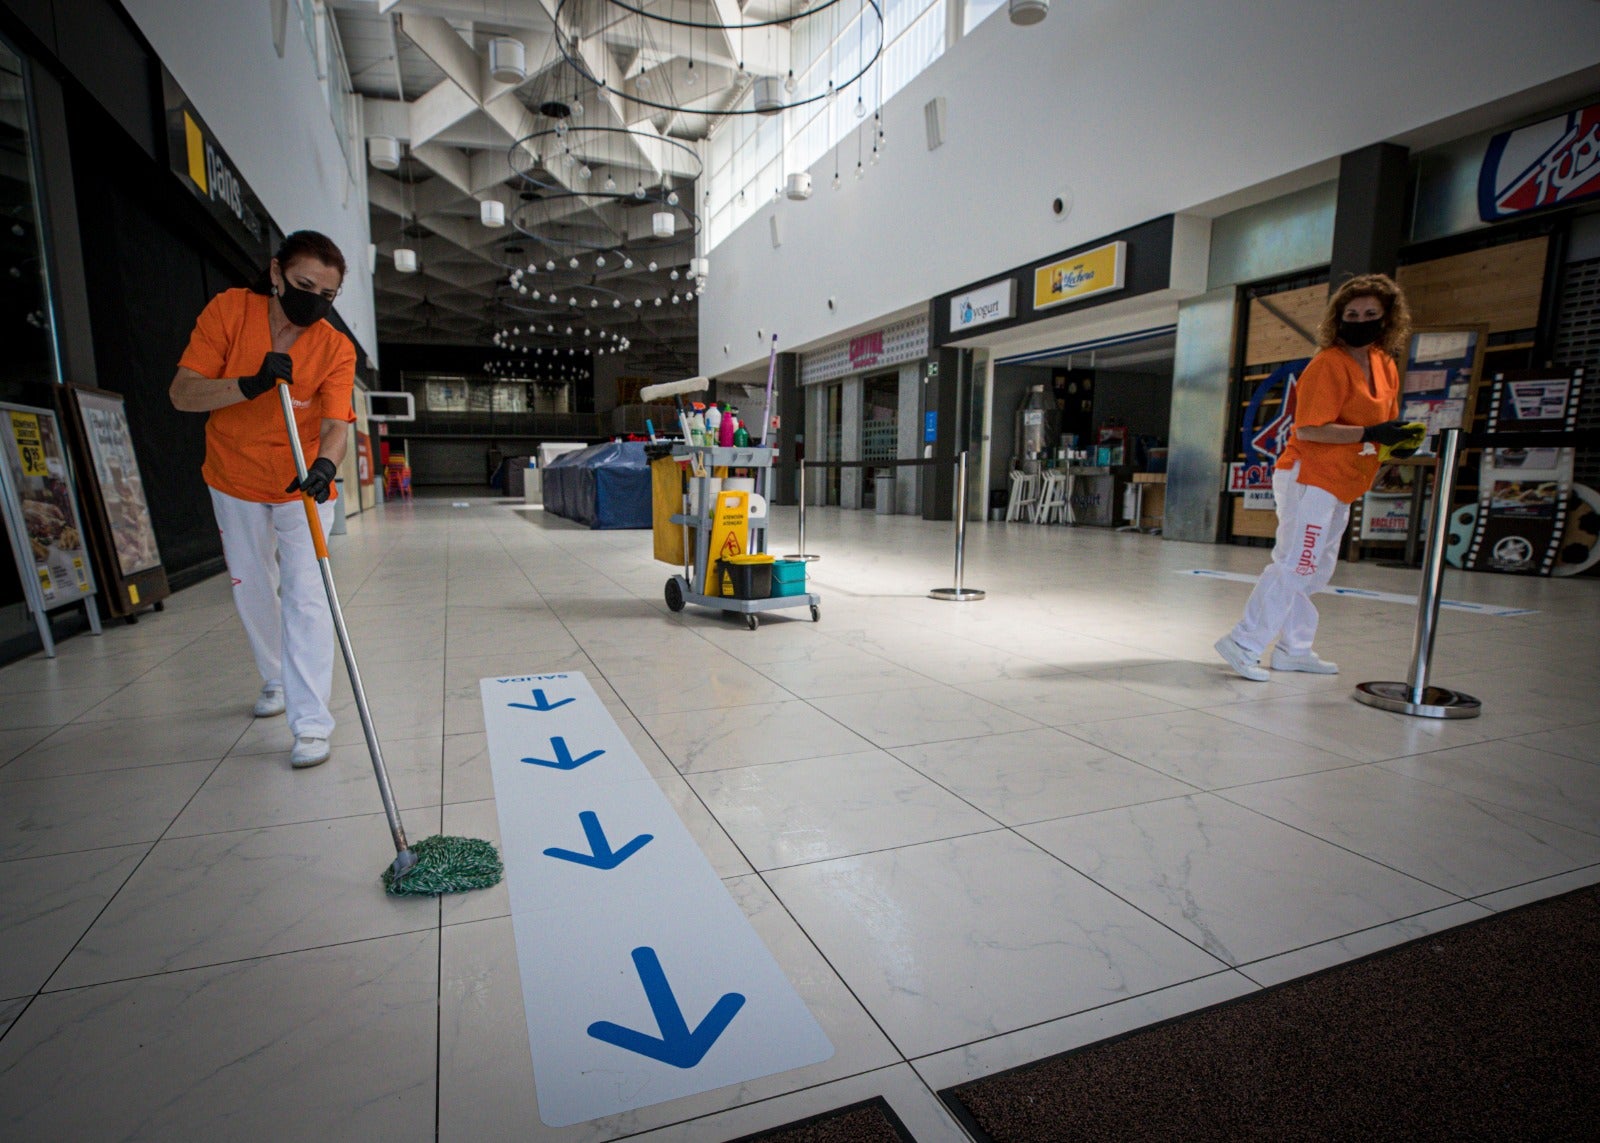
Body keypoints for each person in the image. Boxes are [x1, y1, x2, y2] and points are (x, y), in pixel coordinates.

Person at [170, 231, 356, 768]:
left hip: (302, 480)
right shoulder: (229, 312)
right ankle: (274, 674)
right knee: (253, 584)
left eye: (327, 295)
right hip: (233, 473)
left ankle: (312, 722)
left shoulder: (335, 347)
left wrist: (325, 465)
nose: (314, 302)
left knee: (307, 596)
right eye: (304, 286)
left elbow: (336, 423)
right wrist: (248, 385)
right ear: (276, 274)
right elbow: (183, 394)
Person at [1215, 273, 1418, 682]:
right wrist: (1371, 434)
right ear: (1338, 318)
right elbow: (1308, 429)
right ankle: (1244, 642)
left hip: (1345, 478)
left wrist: (1394, 441)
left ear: (1388, 318)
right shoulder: (1328, 364)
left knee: (1317, 568)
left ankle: (1294, 648)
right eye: (1352, 313)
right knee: (1296, 561)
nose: (1360, 320)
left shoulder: (1385, 364)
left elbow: (1382, 420)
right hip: (1310, 475)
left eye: (1371, 313)